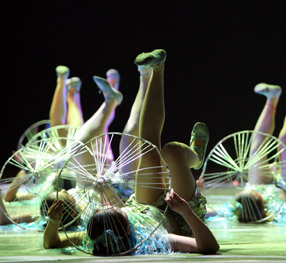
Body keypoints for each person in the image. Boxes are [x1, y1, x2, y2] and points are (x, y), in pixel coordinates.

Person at [43, 49, 219, 255]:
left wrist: (54, 222)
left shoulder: (100, 233)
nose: (114, 205)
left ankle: (158, 68)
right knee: (173, 151)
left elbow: (51, 242)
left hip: (145, 207)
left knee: (146, 145)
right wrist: (185, 211)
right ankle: (196, 159)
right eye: (118, 211)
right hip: (180, 217)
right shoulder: (154, 238)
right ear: (128, 228)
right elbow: (209, 247)